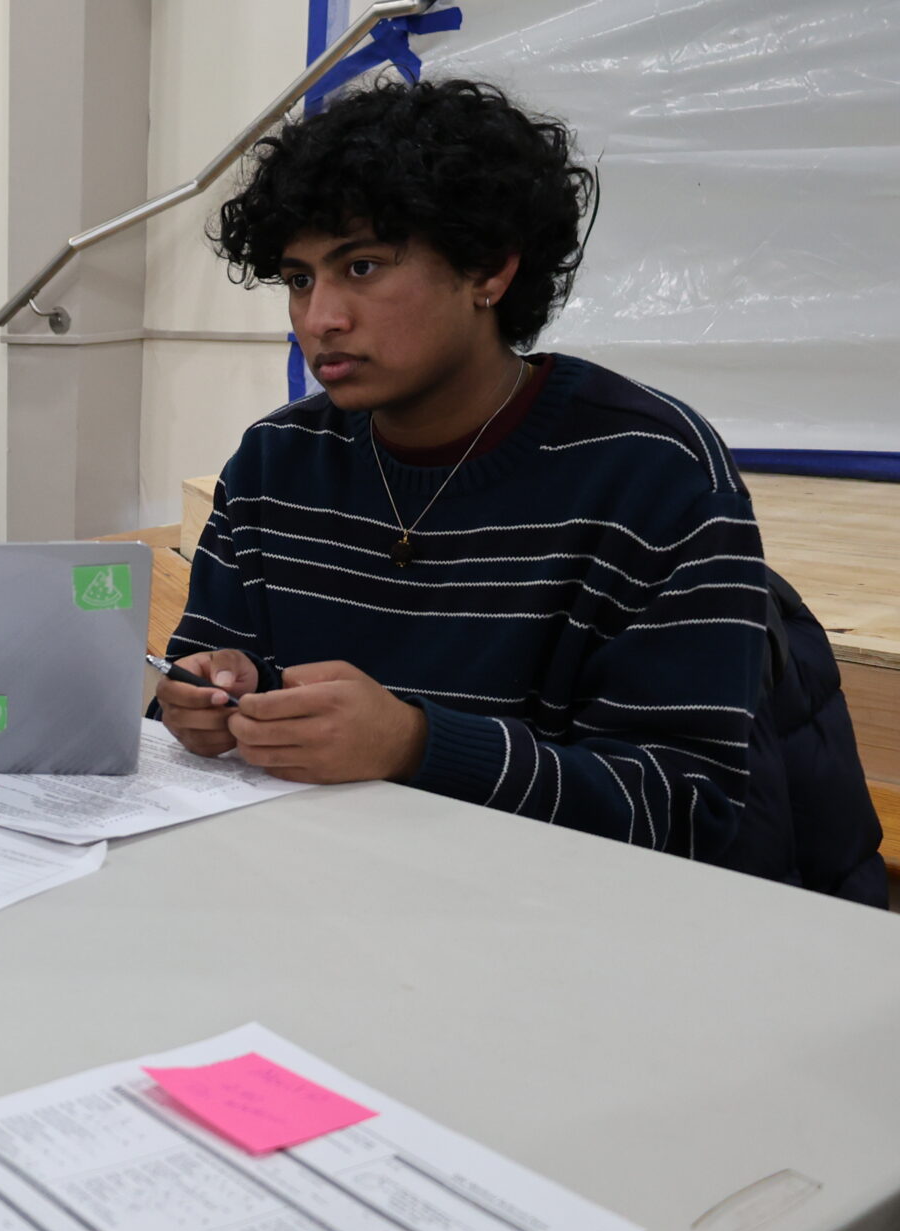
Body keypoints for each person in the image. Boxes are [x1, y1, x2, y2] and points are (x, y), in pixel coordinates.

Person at [156, 77, 836, 880]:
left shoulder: (652, 471)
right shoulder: (276, 464)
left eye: (362, 267)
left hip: (563, 927)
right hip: (320, 890)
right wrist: (204, 699)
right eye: (300, 279)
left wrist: (416, 743)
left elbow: (688, 806)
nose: (319, 318)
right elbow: (212, 670)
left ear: (489, 270)